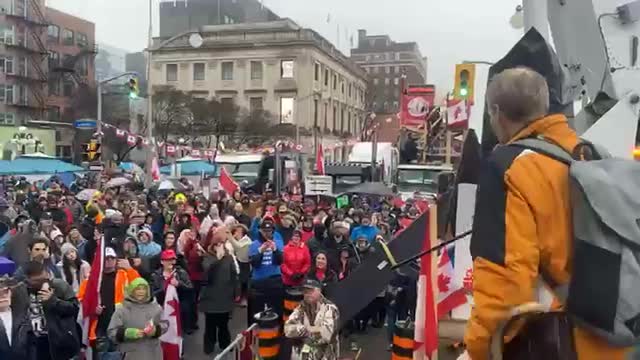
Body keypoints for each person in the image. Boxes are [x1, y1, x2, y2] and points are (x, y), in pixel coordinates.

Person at [462, 67, 629, 360]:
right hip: (621, 338)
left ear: (497, 112)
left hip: (563, 343)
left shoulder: (509, 166)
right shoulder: (591, 154)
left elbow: (505, 284)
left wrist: (480, 348)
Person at [12, 260, 80, 360]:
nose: (43, 283)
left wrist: (54, 301)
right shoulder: (20, 292)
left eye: (45, 279)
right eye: (37, 281)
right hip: (32, 342)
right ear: (28, 280)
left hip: (59, 341)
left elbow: (74, 309)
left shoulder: (60, 286)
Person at [107, 278, 168, 360]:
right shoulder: (122, 309)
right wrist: (126, 333)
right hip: (130, 354)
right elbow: (111, 331)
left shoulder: (156, 307)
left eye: (144, 289)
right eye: (138, 289)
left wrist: (155, 330)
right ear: (131, 291)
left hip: (153, 353)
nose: (141, 292)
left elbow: (165, 324)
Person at [200, 227, 238, 355]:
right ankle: (209, 346)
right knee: (210, 325)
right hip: (210, 297)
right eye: (217, 244)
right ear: (213, 245)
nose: (219, 246)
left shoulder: (229, 258)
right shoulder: (207, 257)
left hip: (225, 296)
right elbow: (206, 274)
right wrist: (217, 260)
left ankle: (225, 344)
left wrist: (236, 292)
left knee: (223, 325)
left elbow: (234, 275)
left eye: (221, 243)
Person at [284, 279, 340, 360]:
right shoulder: (300, 308)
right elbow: (287, 329)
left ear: (319, 291)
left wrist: (301, 332)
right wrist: (305, 329)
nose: (307, 294)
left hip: (325, 356)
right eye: (305, 291)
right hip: (304, 356)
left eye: (310, 291)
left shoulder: (330, 309)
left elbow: (325, 335)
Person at [247, 218, 284, 327]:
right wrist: (260, 251)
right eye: (265, 231)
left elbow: (280, 261)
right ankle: (255, 333)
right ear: (260, 231)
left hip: (274, 280)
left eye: (269, 231)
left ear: (273, 231)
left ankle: (277, 333)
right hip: (259, 281)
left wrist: (275, 250)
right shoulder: (254, 244)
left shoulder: (278, 242)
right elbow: (254, 264)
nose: (267, 234)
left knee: (277, 310)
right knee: (256, 312)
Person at [151, 249, 193, 332]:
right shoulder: (155, 276)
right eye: (168, 260)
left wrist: (178, 284)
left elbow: (190, 288)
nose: (171, 262)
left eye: (172, 260)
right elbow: (152, 293)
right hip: (162, 306)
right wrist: (165, 287)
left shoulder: (181, 272)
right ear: (162, 262)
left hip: (179, 305)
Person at [0, 275, 31, 360]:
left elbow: (32, 346)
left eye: (5, 291)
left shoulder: (23, 316)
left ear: (11, 292)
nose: (2, 296)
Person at [228, 224, 252, 307]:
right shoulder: (238, 240)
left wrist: (230, 236)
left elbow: (237, 247)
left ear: (243, 232)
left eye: (238, 231)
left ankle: (244, 299)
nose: (236, 232)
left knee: (244, 281)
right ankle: (239, 296)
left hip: (246, 263)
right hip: (239, 261)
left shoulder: (246, 240)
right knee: (238, 280)